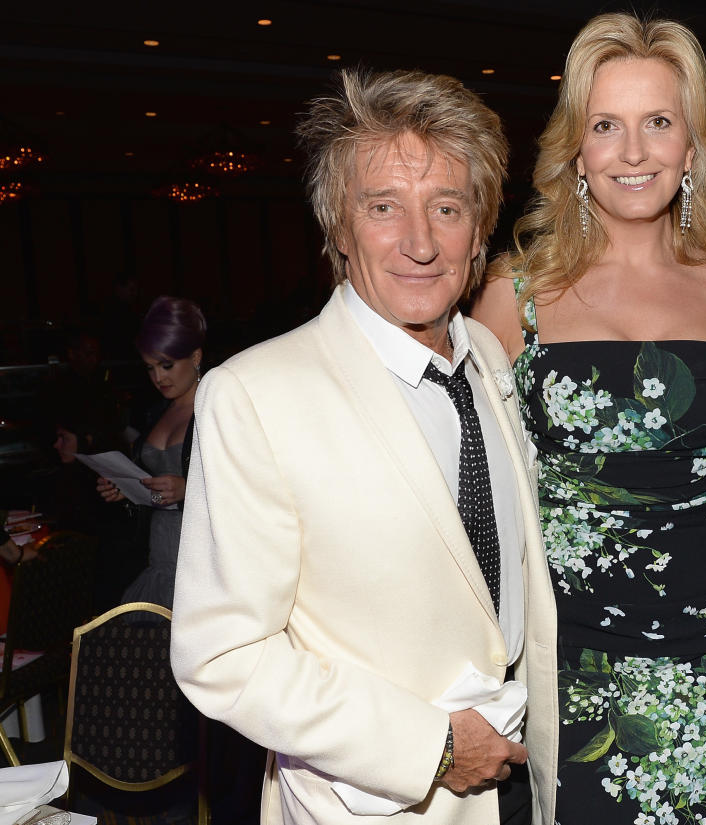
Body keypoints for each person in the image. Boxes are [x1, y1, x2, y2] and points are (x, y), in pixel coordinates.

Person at [169, 68, 558, 825]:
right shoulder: (256, 393)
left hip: (520, 789)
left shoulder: (486, 352)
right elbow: (221, 656)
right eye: (384, 207)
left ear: (479, 231)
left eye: (446, 208)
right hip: (376, 803)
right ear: (339, 229)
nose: (419, 242)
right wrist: (434, 745)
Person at [472, 13, 706, 825]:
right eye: (607, 124)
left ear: (691, 146)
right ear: (577, 147)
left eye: (659, 123)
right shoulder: (515, 296)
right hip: (567, 675)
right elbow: (469, 499)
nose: (634, 152)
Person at [96, 296, 205, 609]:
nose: (159, 378)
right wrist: (125, 489)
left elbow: (251, 483)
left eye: (167, 365)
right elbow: (150, 491)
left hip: (202, 562)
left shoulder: (218, 405)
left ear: (195, 356)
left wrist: (188, 488)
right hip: (157, 554)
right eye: (150, 368)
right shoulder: (155, 412)